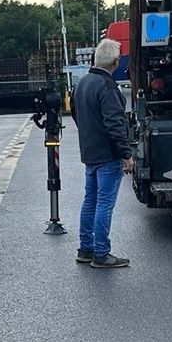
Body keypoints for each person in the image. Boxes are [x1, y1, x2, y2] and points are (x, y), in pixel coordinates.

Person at [71, 38, 133, 268]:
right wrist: (126, 154)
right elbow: (115, 124)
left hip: (90, 153)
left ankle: (85, 249)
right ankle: (101, 253)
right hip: (107, 155)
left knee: (90, 201)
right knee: (104, 204)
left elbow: (77, 115)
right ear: (115, 62)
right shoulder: (107, 87)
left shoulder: (82, 83)